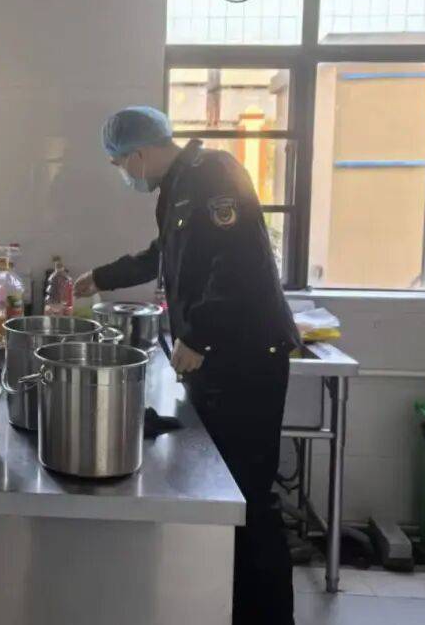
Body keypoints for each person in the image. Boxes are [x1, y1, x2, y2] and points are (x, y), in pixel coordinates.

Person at [73, 106, 298, 625]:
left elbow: (238, 263)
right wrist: (103, 277)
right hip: (223, 356)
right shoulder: (177, 187)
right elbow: (165, 253)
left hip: (247, 357)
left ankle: (268, 615)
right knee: (227, 490)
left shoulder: (215, 174)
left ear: (138, 154)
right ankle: (233, 605)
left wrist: (197, 335)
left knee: (249, 494)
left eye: (121, 165)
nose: (125, 175)